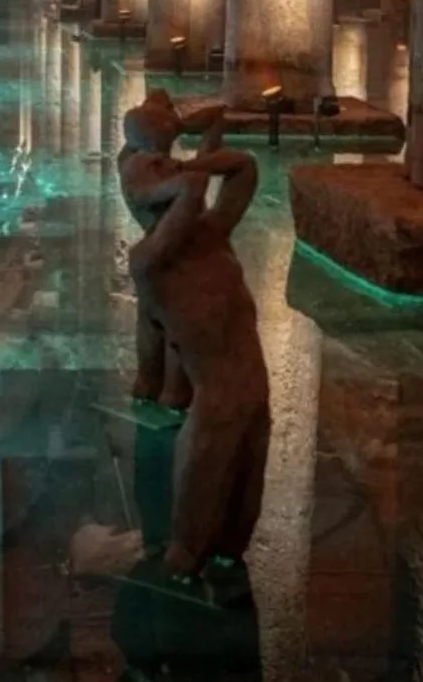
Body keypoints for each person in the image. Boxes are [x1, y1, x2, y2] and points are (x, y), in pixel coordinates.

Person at [119, 99, 269, 582]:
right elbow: (188, 192)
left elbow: (243, 168)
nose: (177, 171)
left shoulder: (212, 233)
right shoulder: (150, 261)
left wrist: (188, 160)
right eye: (159, 170)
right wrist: (181, 172)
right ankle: (184, 554)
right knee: (207, 464)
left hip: (253, 381)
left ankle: (229, 548)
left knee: (249, 471)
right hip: (216, 388)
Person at [117, 89, 226, 412]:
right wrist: (187, 176)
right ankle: (170, 390)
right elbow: (177, 189)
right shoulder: (141, 168)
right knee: (174, 324)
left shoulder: (136, 159)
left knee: (154, 321)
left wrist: (184, 127)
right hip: (166, 255)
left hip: (161, 253)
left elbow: (216, 120)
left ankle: (153, 384)